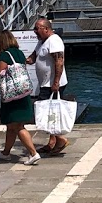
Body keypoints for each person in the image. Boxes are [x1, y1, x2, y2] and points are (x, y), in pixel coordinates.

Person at [0, 30, 41, 166]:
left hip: (11, 97)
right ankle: (6, 153)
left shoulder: (4, 56)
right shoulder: (19, 53)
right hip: (22, 94)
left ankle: (33, 153)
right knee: (11, 126)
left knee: (17, 126)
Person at [27, 17, 69, 155]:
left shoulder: (54, 40)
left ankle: (60, 139)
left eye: (37, 29)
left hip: (52, 84)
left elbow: (59, 61)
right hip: (45, 83)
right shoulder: (42, 41)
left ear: (46, 29)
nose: (35, 31)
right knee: (52, 113)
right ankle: (52, 142)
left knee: (43, 113)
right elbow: (33, 57)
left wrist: (56, 82)